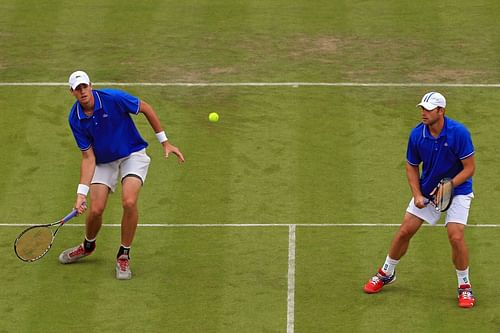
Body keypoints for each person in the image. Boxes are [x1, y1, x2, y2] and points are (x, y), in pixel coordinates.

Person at [59, 70, 185, 280]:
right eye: (77, 89)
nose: (82, 92)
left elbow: (145, 107)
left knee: (129, 201)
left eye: (84, 87)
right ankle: (88, 246)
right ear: (71, 92)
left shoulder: (113, 98)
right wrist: (81, 194)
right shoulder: (75, 119)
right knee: (96, 208)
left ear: (91, 85)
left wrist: (165, 142)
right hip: (103, 160)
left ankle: (123, 255)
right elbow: (88, 158)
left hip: (132, 153)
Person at [363, 92, 476, 308]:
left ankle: (464, 286)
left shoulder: (458, 133)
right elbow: (411, 165)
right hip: (428, 190)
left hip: (458, 189)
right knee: (405, 230)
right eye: (422, 108)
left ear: (440, 111)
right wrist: (417, 194)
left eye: (428, 109)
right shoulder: (417, 135)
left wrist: (448, 187)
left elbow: (470, 168)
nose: (423, 113)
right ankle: (387, 272)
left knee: (456, 236)